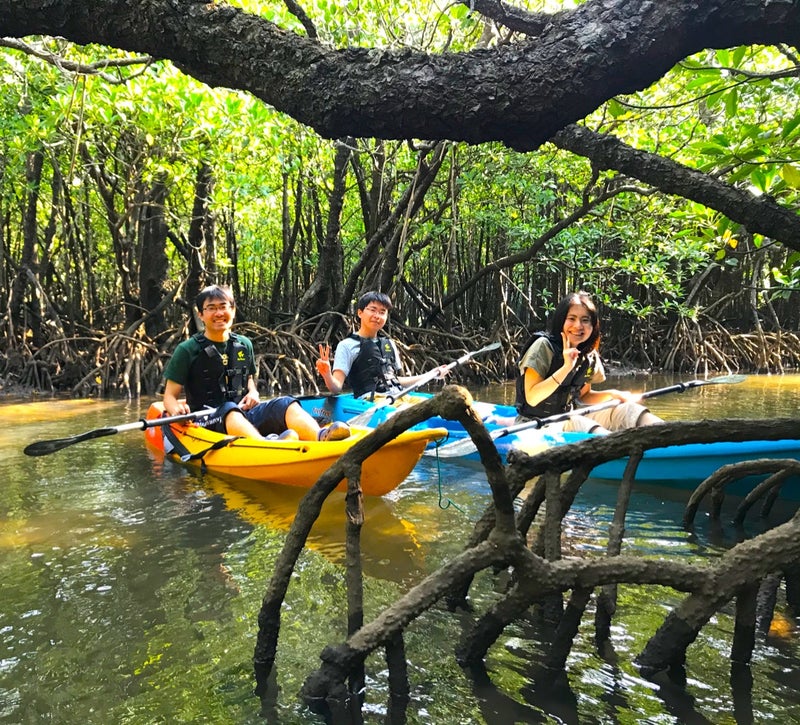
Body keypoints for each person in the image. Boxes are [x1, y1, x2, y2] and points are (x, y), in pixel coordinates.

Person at [162, 284, 350, 442]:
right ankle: (263, 446)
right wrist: (175, 409)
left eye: (223, 306)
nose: (219, 313)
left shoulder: (244, 345)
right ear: (201, 314)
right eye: (211, 308)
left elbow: (248, 379)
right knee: (229, 410)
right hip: (206, 419)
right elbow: (169, 397)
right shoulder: (187, 350)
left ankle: (320, 435)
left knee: (285, 402)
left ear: (233, 310)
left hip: (243, 413)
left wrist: (253, 392)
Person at [514, 291, 663, 433]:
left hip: (568, 418)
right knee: (578, 422)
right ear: (561, 321)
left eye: (585, 320)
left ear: (593, 326)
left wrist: (613, 394)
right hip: (533, 425)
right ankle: (620, 449)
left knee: (629, 409)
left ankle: (670, 435)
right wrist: (567, 367)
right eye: (571, 318)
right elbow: (532, 398)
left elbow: (584, 396)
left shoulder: (588, 356)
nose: (578, 325)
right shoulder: (543, 346)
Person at [315, 291, 448, 399]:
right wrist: (326, 374)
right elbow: (336, 387)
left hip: (397, 396)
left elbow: (395, 380)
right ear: (360, 313)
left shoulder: (389, 344)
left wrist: (432, 373)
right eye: (373, 310)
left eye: (382, 312)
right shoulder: (346, 345)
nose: (377, 316)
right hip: (371, 401)